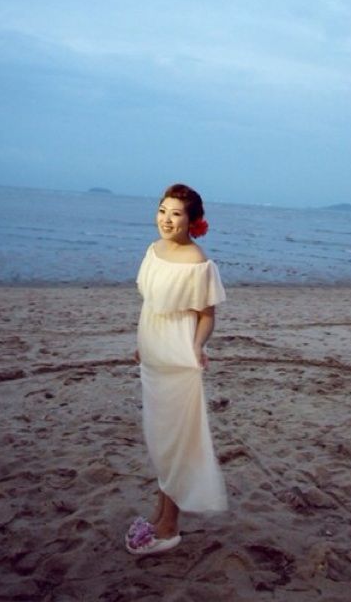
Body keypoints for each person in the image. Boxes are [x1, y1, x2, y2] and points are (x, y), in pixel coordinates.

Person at [125, 183, 227, 555]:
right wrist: (143, 342)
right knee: (160, 439)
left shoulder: (197, 261)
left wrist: (196, 348)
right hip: (153, 357)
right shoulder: (154, 249)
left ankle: (169, 526)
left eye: (176, 214)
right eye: (162, 210)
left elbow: (207, 315)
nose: (166, 220)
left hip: (178, 360)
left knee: (175, 442)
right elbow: (151, 305)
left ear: (192, 220)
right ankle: (159, 514)